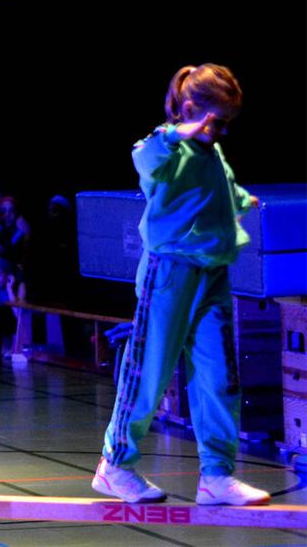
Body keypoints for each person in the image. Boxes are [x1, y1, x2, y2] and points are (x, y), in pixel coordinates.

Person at [92, 63, 270, 506]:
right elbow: (143, 155)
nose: (223, 131)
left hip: (211, 272)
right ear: (191, 110)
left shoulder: (211, 152)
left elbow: (220, 189)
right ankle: (115, 465)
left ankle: (216, 474)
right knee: (148, 371)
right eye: (217, 121)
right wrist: (180, 132)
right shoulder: (165, 147)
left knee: (219, 376)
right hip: (170, 273)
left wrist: (241, 199)